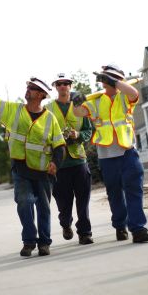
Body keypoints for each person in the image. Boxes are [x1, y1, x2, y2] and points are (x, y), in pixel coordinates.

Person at [0, 68, 66, 257]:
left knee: (43, 208)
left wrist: (55, 163)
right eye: (28, 87)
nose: (28, 90)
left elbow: (60, 145)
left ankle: (44, 243)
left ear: (42, 95)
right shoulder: (14, 110)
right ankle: (29, 241)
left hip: (43, 171)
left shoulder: (50, 119)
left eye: (33, 88)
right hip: (20, 168)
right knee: (24, 203)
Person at [71, 64, 148, 243]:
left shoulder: (126, 97)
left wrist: (115, 82)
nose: (107, 83)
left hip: (128, 152)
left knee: (134, 191)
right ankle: (120, 226)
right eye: (105, 79)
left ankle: (138, 229)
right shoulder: (96, 100)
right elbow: (78, 112)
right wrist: (76, 101)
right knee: (114, 194)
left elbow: (133, 92)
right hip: (107, 156)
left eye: (111, 79)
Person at [46, 72, 94, 245]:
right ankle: (66, 224)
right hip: (59, 163)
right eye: (59, 84)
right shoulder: (48, 108)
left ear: (70, 86)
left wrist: (78, 134)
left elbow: (89, 130)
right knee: (63, 201)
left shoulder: (81, 107)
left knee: (83, 199)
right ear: (55, 87)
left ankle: (85, 233)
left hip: (79, 160)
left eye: (66, 83)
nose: (63, 86)